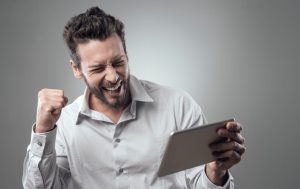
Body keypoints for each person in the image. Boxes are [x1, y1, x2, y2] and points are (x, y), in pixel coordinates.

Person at [22, 6, 245, 189]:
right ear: (77, 69)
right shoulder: (63, 124)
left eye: (118, 62)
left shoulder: (178, 105)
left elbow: (200, 182)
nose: (112, 76)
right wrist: (42, 131)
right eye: (98, 68)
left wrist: (215, 171)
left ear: (127, 55)